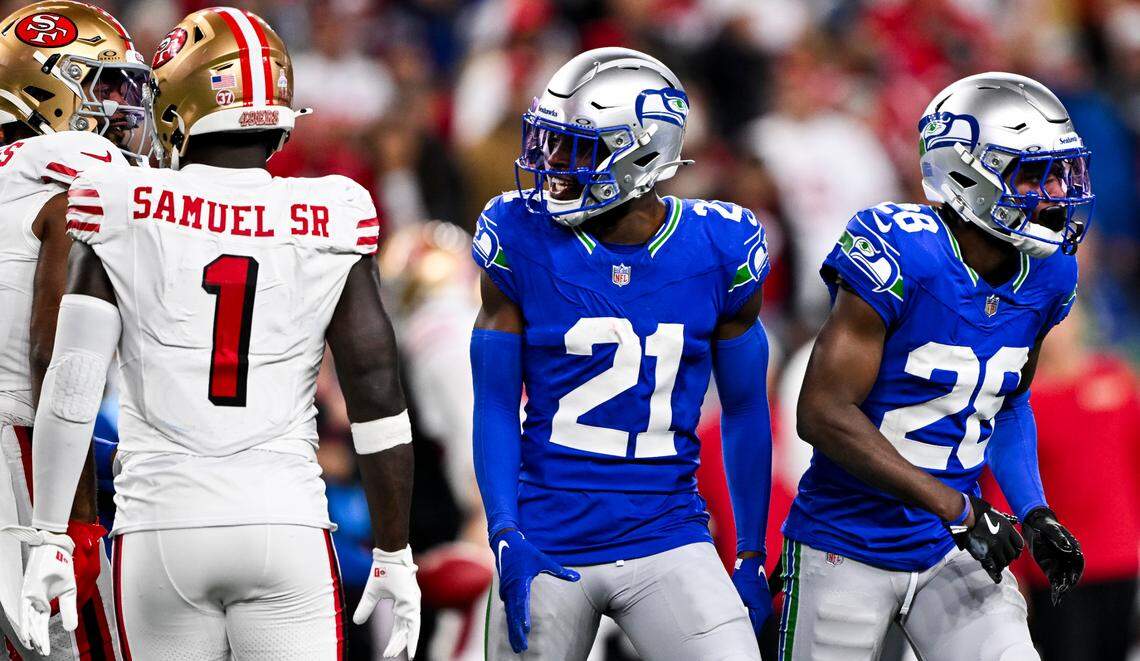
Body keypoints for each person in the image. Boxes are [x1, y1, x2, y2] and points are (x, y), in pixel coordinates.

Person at [6, 8, 421, 660]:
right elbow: (376, 387)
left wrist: (55, 531)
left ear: (175, 101)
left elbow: (72, 376)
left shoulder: (120, 201)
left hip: (160, 526)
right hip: (285, 518)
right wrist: (396, 548)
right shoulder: (332, 208)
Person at [471, 47, 774, 660]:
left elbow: (745, 410)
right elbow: (496, 403)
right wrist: (504, 531)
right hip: (546, 535)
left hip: (667, 533)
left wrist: (750, 551)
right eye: (549, 142)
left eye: (576, 147)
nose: (552, 163)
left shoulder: (720, 247)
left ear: (642, 154)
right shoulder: (518, 232)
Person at [783, 72, 1091, 661]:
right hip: (844, 544)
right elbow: (822, 412)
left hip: (950, 546)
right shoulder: (901, 249)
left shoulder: (1051, 272)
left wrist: (1034, 511)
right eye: (1031, 173)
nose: (1054, 193)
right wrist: (958, 507)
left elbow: (1009, 404)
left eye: (1061, 172)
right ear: (965, 172)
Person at [0, 1, 151, 657]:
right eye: (105, 82)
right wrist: (73, 522)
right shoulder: (73, 157)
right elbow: (57, 348)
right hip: (23, 450)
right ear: (45, 87)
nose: (121, 104)